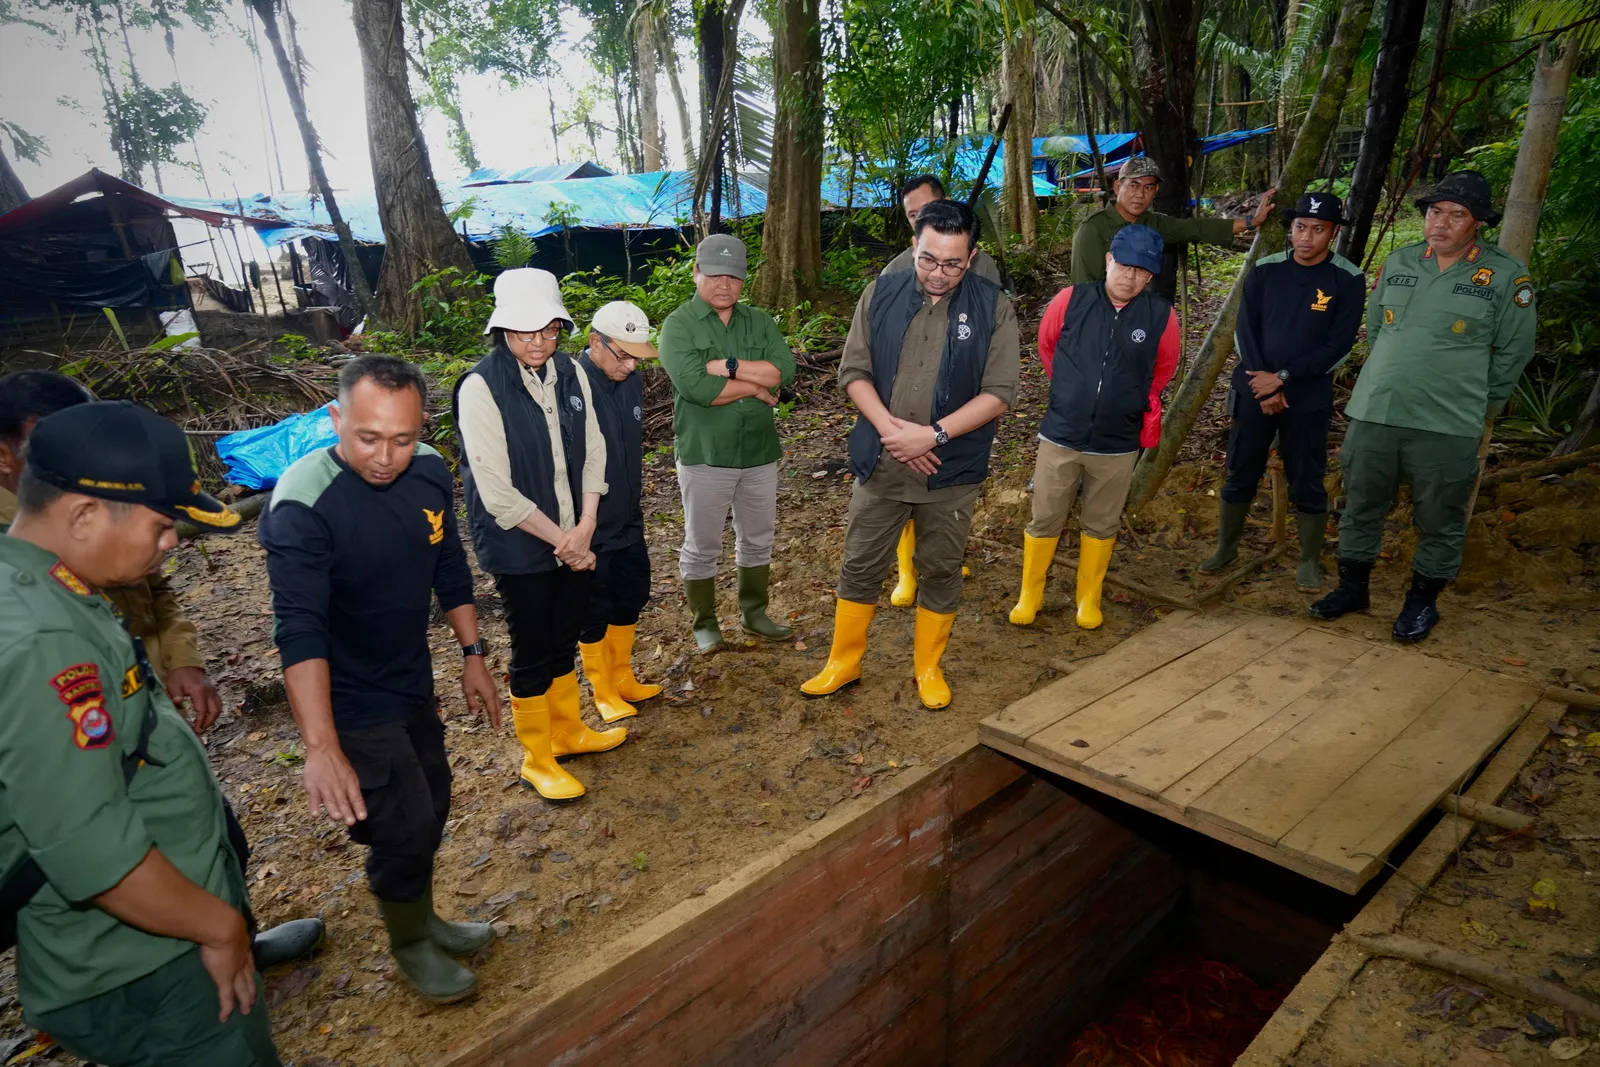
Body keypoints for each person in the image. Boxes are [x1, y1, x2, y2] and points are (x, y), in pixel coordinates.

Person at [0, 369, 324, 971]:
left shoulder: (104, 525)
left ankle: (228, 937)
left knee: (212, 833)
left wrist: (182, 662)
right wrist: (212, 929)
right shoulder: (35, 617)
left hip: (141, 702)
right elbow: (81, 833)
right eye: (49, 438)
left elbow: (155, 592)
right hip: (95, 745)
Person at [260, 356, 503, 1005]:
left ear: (421, 424)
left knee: (435, 798)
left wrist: (472, 652)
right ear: (336, 417)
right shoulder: (303, 502)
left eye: (402, 437)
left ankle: (423, 916)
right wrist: (320, 744)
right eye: (367, 437)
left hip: (408, 676)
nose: (386, 456)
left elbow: (447, 559)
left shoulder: (428, 468)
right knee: (399, 822)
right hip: (347, 698)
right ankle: (408, 943)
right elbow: (300, 628)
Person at [802, 199, 1017, 709]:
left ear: (972, 256)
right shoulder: (881, 293)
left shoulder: (993, 307)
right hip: (882, 460)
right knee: (860, 563)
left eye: (951, 263)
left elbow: (1001, 391)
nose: (937, 274)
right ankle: (843, 661)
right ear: (913, 246)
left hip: (951, 470)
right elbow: (853, 371)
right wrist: (892, 431)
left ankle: (928, 667)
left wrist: (934, 435)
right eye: (927, 259)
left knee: (940, 568)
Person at [1309, 171, 1537, 642]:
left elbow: (1515, 350)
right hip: (1377, 410)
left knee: (1440, 516)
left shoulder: (1504, 275)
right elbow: (1377, 330)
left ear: (1477, 224)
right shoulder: (1400, 261)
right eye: (1436, 211)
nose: (1442, 222)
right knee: (1360, 507)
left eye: (1457, 215)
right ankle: (1353, 589)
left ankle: (1421, 604)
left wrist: (1481, 403)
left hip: (1448, 421)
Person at [454, 269, 625, 801]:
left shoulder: (570, 373)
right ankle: (537, 756)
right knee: (532, 644)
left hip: (575, 530)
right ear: (503, 329)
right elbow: (495, 489)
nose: (538, 342)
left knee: (563, 635)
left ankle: (568, 731)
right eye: (526, 331)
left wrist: (587, 525)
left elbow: (595, 448)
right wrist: (566, 542)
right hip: (521, 541)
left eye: (549, 330)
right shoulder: (480, 386)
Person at [1009, 225, 1179, 630]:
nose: (1130, 276)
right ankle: (1030, 594)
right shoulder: (1070, 301)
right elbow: (1048, 348)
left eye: (1141, 271)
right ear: (1108, 260)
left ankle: (1088, 598)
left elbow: (1163, 369)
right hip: (1061, 434)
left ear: (1151, 276)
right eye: (1123, 265)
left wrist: (1125, 399)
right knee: (1046, 516)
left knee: (1102, 522)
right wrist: (1073, 390)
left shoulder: (1161, 316)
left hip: (1117, 441)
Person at [1200, 193, 1366, 591]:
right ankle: (1227, 546)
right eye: (1300, 228)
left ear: (1334, 233)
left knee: (1307, 476)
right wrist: (1264, 382)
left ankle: (1309, 558)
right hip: (1255, 389)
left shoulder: (1347, 278)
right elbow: (1246, 329)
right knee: (1241, 468)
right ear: (1290, 229)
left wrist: (1285, 377)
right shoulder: (1264, 269)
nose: (1307, 237)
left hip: (1306, 394)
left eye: (1318, 229)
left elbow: (1339, 344)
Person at [659, 234, 797, 653]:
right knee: (702, 543)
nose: (724, 285)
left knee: (758, 537)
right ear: (697, 273)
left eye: (734, 277)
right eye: (715, 274)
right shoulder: (678, 325)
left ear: (744, 280)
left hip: (758, 451)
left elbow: (782, 371)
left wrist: (731, 368)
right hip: (706, 454)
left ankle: (754, 613)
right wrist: (754, 389)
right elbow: (697, 388)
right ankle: (705, 621)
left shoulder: (759, 321)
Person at [880, 175, 993, 607]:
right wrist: (899, 430)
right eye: (914, 216)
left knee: (946, 503)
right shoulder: (894, 275)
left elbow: (993, 362)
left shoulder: (983, 277)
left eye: (931, 208)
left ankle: (941, 557)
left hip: (958, 423)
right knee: (901, 496)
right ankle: (906, 572)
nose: (924, 218)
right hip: (900, 424)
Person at [575, 301, 663, 723]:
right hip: (589, 521)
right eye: (623, 354)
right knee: (594, 607)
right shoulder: (568, 386)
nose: (630, 365)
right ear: (596, 342)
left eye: (637, 355)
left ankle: (622, 674)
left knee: (632, 593)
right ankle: (602, 688)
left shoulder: (630, 381)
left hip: (628, 512)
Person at [1070, 157, 1275, 284]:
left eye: (1149, 187)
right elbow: (1083, 288)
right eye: (1134, 185)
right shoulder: (1093, 229)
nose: (1140, 194)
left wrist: (1251, 222)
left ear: (1155, 192)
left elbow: (1193, 228)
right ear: (1117, 187)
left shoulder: (1152, 223)